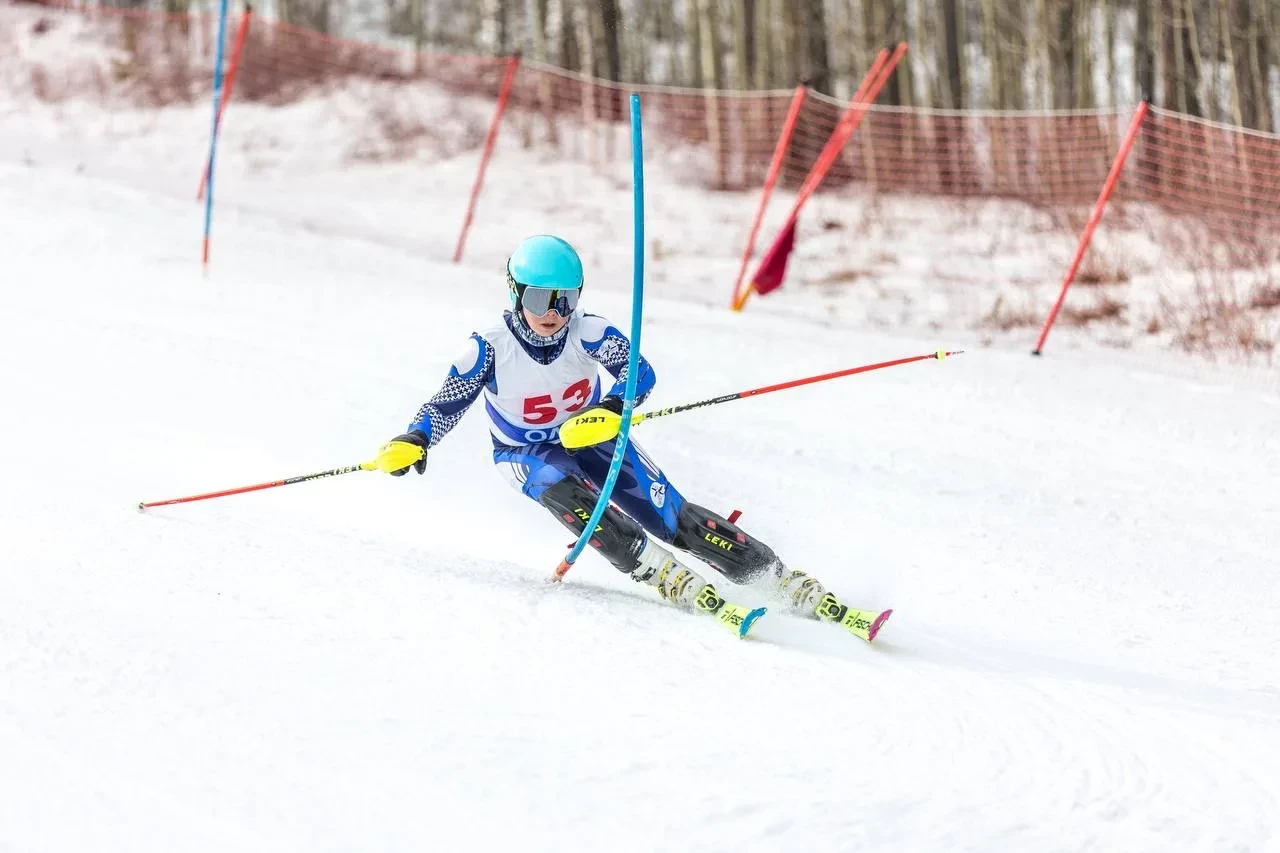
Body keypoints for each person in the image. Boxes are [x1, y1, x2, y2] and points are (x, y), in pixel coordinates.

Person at [375, 234, 889, 641]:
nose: (554, 312)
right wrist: (415, 438)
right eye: (539, 298)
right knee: (568, 493)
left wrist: (612, 408)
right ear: (514, 291)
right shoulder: (489, 347)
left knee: (674, 517)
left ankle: (774, 577)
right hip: (525, 451)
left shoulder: (587, 331)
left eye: (565, 299)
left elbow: (639, 372)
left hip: (591, 436)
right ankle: (658, 570)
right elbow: (446, 403)